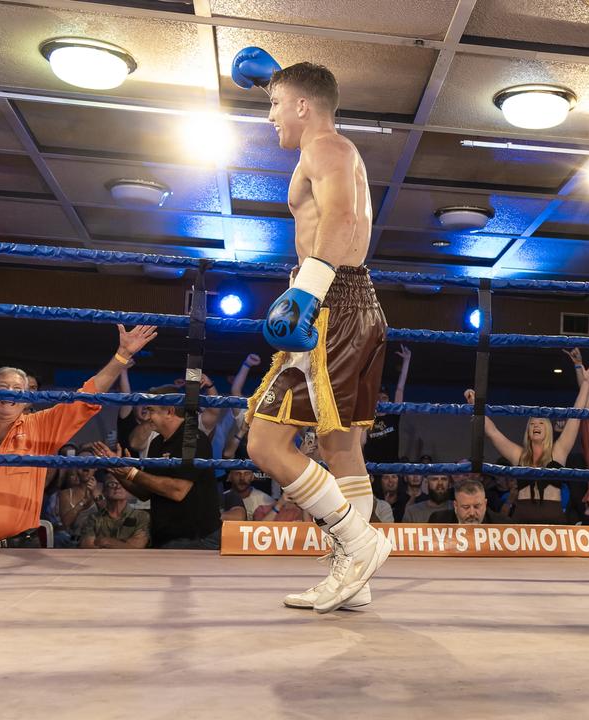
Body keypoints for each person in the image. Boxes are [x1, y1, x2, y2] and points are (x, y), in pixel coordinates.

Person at [233, 49, 390, 614]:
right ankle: (356, 577)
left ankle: (360, 543)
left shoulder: (325, 146)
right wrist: (275, 78)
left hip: (331, 301)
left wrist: (306, 291)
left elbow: (342, 220)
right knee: (340, 446)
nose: (269, 115)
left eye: (275, 105)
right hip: (350, 298)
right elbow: (336, 218)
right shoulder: (332, 147)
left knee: (264, 441)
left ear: (303, 105)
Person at [0, 325, 156, 547]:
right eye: (3, 387)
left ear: (27, 398)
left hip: (18, 549)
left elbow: (88, 396)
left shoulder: (41, 426)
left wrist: (122, 355)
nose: (10, 392)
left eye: (17, 388)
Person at [465, 358, 589, 525]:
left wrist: (586, 383)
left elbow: (576, 417)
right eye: (532, 424)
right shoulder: (519, 455)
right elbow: (493, 433)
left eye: (541, 422)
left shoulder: (558, 451)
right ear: (528, 431)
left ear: (548, 428)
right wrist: (475, 406)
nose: (536, 425)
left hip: (553, 520)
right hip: (523, 520)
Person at [93, 388, 221, 549]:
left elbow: (178, 490)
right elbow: (145, 492)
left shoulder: (193, 440)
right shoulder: (156, 443)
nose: (147, 416)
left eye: (151, 410)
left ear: (169, 411)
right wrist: (118, 470)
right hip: (165, 535)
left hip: (195, 537)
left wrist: (132, 472)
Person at [365, 345, 411, 464]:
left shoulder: (393, 416)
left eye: (384, 398)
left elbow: (399, 389)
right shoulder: (366, 417)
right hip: (371, 469)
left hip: (391, 468)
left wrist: (406, 361)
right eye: (378, 398)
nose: (380, 400)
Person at [78, 477, 150, 549]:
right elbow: (87, 546)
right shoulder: (93, 518)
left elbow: (137, 546)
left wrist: (106, 541)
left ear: (129, 492)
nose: (118, 487)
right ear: (104, 491)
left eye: (122, 484)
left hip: (130, 560)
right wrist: (122, 544)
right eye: (112, 484)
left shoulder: (141, 516)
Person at [429, 478, 508, 524]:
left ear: (485, 504)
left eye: (477, 506)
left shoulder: (502, 524)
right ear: (456, 506)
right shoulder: (438, 521)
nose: (472, 513)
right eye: (466, 507)